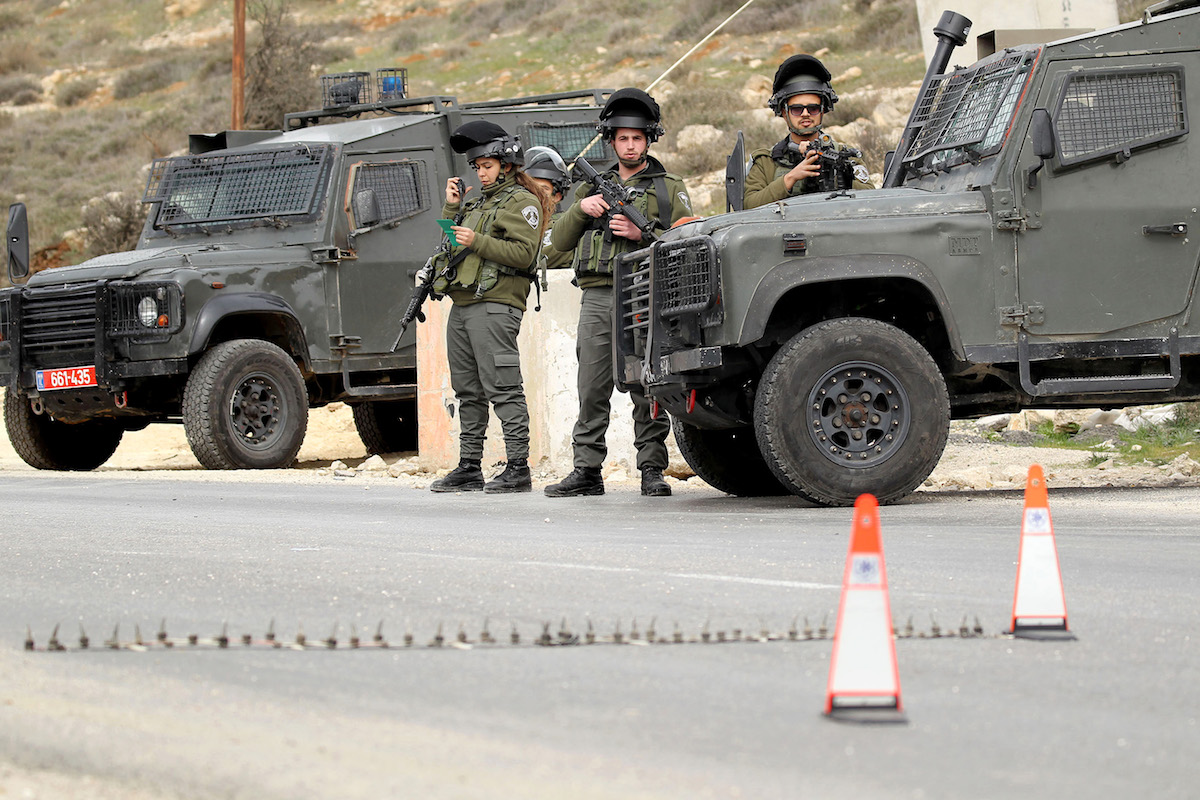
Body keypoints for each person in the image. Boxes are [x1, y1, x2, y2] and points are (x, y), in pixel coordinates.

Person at [544, 88, 693, 498]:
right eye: (623, 138)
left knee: (648, 385)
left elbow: (688, 241)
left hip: (644, 295)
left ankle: (651, 470)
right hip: (597, 296)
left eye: (638, 138)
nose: (630, 145)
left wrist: (642, 234)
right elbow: (557, 242)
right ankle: (587, 470)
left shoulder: (668, 187)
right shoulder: (592, 187)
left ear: (649, 140)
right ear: (611, 140)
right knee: (591, 385)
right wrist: (580, 210)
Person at [427, 121, 554, 495]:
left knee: (503, 386)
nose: (480, 173)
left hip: (496, 304)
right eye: (477, 167)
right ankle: (469, 466)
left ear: (507, 162)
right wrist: (451, 209)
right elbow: (449, 247)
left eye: (487, 165)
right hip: (464, 303)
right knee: (467, 390)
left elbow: (523, 253)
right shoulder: (477, 203)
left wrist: (478, 239)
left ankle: (518, 467)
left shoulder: (522, 202)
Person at [743, 54, 873, 210]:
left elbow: (871, 198)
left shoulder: (845, 156)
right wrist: (790, 178)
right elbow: (748, 206)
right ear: (784, 113)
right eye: (797, 109)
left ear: (823, 111)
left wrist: (842, 174)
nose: (805, 114)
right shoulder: (766, 162)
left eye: (813, 108)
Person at [522, 145, 574, 275]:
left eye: (544, 189)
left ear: (557, 196)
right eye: (532, 188)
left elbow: (530, 260)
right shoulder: (519, 220)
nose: (537, 194)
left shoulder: (565, 227)